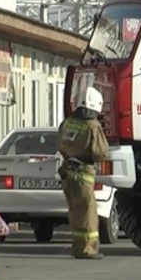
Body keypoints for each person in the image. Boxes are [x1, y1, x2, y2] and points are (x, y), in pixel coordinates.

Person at [57, 86, 109, 260]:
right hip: (83, 174)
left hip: (67, 173)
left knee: (75, 212)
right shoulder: (93, 126)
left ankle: (78, 247)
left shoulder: (68, 122)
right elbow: (100, 153)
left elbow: (60, 144)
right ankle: (88, 249)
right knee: (88, 212)